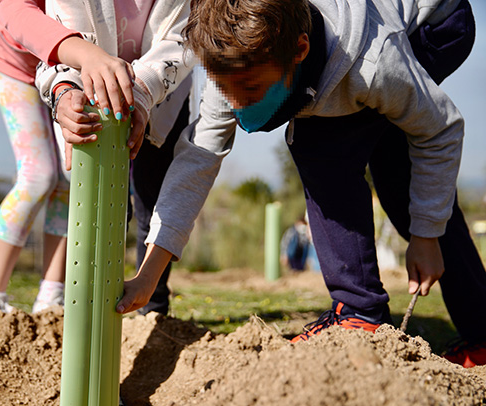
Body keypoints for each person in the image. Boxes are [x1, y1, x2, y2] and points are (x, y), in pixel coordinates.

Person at [114, 0, 486, 367]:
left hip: (437, 23)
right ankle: (460, 330)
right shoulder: (231, 64)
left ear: (299, 50)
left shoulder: (375, 63)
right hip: (349, 47)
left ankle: (361, 315)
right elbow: (198, 160)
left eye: (251, 90)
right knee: (376, 161)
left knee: (331, 150)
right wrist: (149, 275)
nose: (238, 105)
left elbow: (440, 129)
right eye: (227, 91)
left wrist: (426, 235)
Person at [0, 0, 137, 315]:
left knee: (69, 173)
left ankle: (52, 296)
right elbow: (17, 12)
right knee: (38, 175)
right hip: (16, 64)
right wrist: (87, 54)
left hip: (72, 71)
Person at [36, 0, 195, 315]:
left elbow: (184, 35)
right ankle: (92, 308)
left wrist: (141, 93)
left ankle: (153, 306)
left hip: (164, 90)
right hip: (90, 93)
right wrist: (65, 89)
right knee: (103, 202)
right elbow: (59, 32)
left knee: (155, 196)